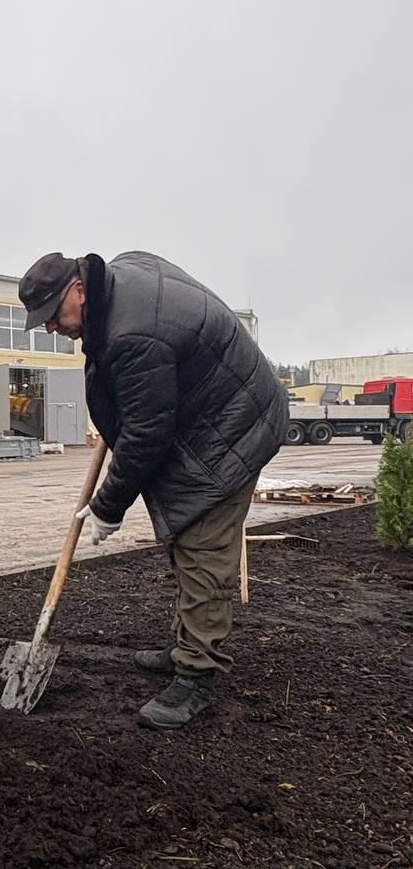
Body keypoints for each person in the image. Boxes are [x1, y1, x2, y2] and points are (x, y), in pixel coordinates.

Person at [18, 250, 288, 730]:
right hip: (206, 410)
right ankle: (185, 643)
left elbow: (147, 437)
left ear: (78, 290)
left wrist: (107, 506)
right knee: (184, 538)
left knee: (203, 546)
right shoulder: (117, 283)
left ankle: (196, 676)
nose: (52, 330)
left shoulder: (134, 336)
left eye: (54, 317)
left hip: (233, 429)